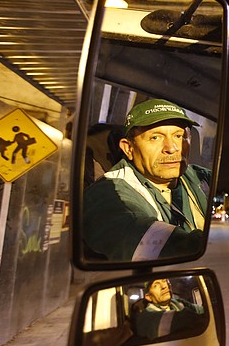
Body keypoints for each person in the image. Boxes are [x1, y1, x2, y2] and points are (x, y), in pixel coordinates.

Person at [84, 98, 211, 261]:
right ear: (128, 148)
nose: (172, 148)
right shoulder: (109, 193)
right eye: (155, 138)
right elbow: (144, 241)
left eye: (179, 136)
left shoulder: (193, 175)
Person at [132, 279, 206, 341]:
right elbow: (176, 320)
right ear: (149, 297)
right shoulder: (145, 317)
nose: (164, 286)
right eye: (156, 285)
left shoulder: (177, 302)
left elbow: (202, 310)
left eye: (165, 281)